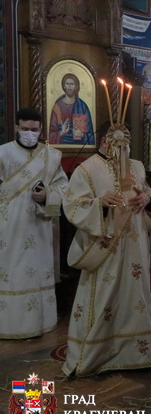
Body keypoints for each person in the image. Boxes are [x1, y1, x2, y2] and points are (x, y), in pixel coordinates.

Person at [63, 123, 151, 376]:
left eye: (126, 143)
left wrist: (147, 199)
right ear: (105, 141)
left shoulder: (137, 166)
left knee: (136, 293)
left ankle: (139, 353)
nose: (123, 148)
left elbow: (147, 192)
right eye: (118, 143)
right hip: (106, 244)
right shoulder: (86, 169)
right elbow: (73, 205)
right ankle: (99, 351)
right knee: (105, 294)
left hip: (136, 244)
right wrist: (100, 203)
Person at [0, 109, 68, 339]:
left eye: (34, 130)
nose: (30, 133)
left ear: (41, 130)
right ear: (16, 128)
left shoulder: (52, 156)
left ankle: (41, 322)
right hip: (8, 227)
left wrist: (48, 195)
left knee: (38, 270)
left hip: (40, 227)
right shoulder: (3, 153)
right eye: (25, 129)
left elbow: (64, 188)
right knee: (11, 271)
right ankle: (8, 325)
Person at [48, 73, 94, 145]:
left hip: (80, 145)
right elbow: (51, 134)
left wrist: (82, 134)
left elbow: (91, 135)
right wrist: (62, 132)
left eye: (72, 84)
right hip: (61, 144)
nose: (69, 87)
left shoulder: (83, 106)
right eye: (67, 84)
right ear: (64, 86)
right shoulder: (57, 106)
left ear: (76, 87)